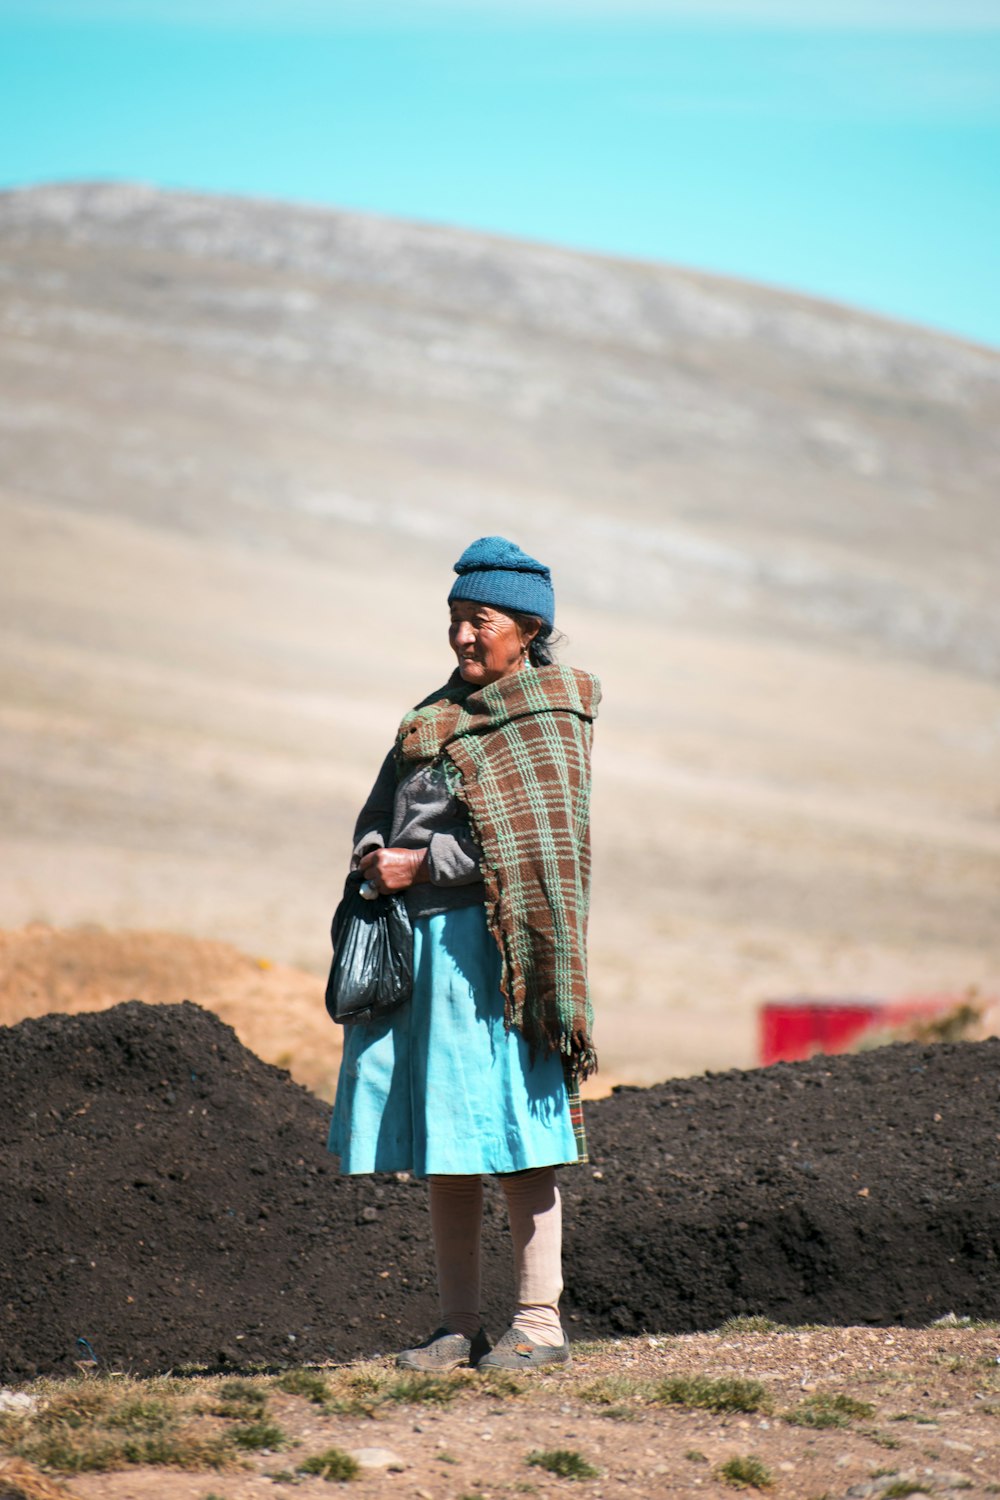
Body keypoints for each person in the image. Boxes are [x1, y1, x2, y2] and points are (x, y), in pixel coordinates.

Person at [327, 535, 600, 1371]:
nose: (462, 637)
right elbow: (382, 807)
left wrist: (424, 864)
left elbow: (538, 853)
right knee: (447, 1140)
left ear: (525, 628)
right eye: (454, 620)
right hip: (423, 957)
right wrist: (377, 853)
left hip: (500, 963)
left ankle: (540, 1327)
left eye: (478, 620)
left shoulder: (549, 720)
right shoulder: (430, 715)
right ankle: (458, 1327)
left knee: (520, 1137)